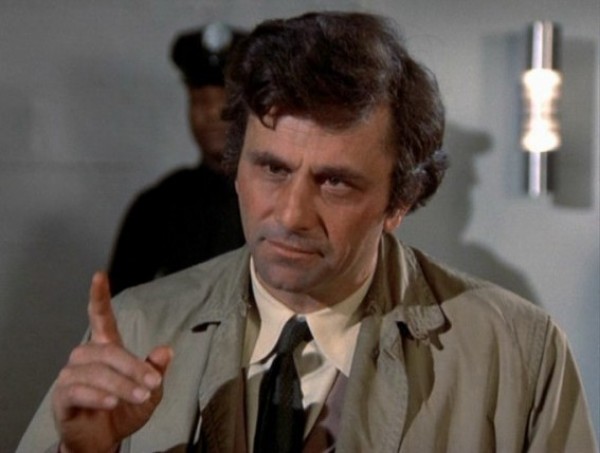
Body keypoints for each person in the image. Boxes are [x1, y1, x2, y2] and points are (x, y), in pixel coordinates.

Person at [18, 11, 597, 453]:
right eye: (272, 169)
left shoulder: (518, 354)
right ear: (236, 169)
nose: (291, 214)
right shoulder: (141, 327)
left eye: (335, 182)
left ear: (399, 201)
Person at [107, 22, 246, 295]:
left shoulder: (280, 201)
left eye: (225, 101)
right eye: (200, 101)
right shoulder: (159, 206)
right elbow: (123, 306)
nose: (212, 114)